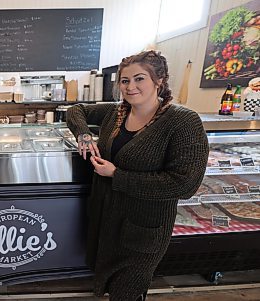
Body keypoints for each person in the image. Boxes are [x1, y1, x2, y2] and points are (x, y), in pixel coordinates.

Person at [66, 50, 209, 301]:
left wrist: (117, 175)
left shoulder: (183, 122)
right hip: (107, 223)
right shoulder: (117, 112)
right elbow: (75, 111)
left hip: (143, 230)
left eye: (139, 79)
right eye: (124, 80)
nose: (130, 87)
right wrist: (84, 135)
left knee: (126, 291)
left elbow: (185, 185)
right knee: (111, 287)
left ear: (159, 80)